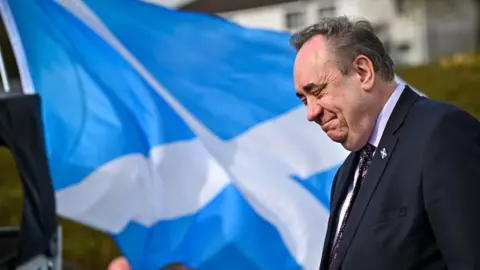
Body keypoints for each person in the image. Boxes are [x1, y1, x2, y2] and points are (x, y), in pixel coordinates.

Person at [291, 16, 480, 270]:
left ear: (363, 72)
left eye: (318, 92)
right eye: (304, 100)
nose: (311, 113)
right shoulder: (347, 173)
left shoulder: (441, 133)